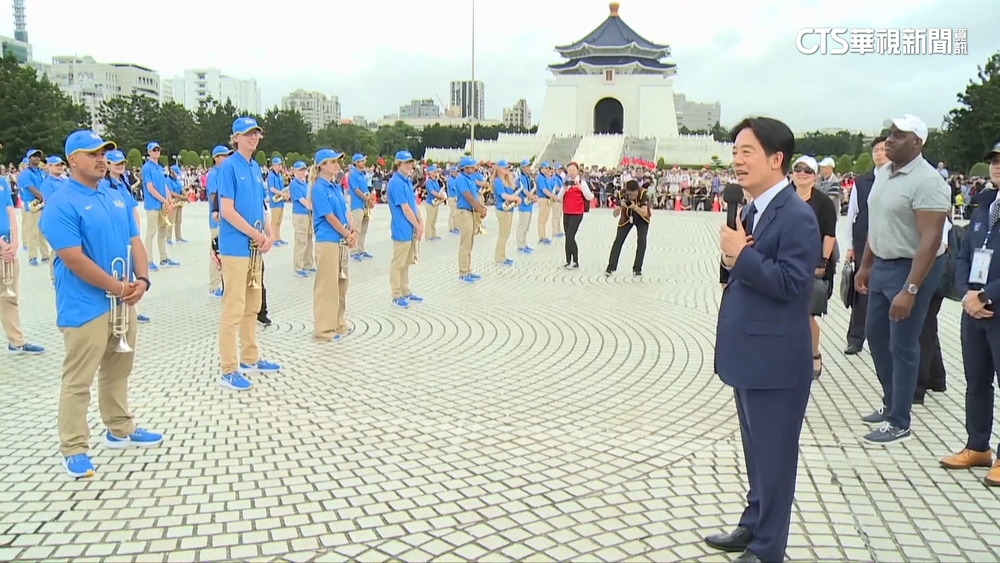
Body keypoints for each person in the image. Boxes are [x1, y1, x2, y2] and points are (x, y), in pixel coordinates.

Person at [705, 117, 819, 563]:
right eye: (735, 151)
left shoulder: (797, 215)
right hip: (750, 354)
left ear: (777, 159)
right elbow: (742, 269)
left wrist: (742, 255)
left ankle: (769, 548)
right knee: (757, 452)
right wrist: (734, 257)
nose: (737, 160)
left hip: (776, 362)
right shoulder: (752, 208)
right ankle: (753, 525)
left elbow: (794, 285)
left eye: (747, 151)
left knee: (775, 458)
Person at [40, 130, 161, 479]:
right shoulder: (62, 202)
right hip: (85, 305)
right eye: (91, 153)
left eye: (103, 152)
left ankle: (119, 426)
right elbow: (74, 259)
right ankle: (74, 446)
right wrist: (119, 287)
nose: (100, 159)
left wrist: (143, 279)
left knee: (119, 368)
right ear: (72, 160)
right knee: (79, 379)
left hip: (122, 298)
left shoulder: (114, 195)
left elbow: (134, 239)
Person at [854, 114, 950, 445]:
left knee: (903, 343)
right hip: (882, 263)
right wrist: (865, 265)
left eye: (898, 134)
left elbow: (931, 239)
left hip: (913, 267)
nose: (889, 139)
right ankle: (891, 401)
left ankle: (900, 420)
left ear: (917, 143)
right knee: (876, 336)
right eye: (889, 133)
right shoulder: (883, 173)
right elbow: (876, 224)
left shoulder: (928, 181)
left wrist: (910, 289)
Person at [939, 140, 1000, 485]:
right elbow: (964, 253)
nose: (996, 166)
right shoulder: (984, 204)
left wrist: (987, 295)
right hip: (973, 310)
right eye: (993, 161)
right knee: (977, 382)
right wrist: (966, 294)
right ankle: (978, 445)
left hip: (995, 307)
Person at [215, 117, 281, 392]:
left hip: (255, 246)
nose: (253, 138)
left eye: (256, 133)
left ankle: (250, 357)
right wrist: (256, 235)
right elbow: (227, 210)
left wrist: (269, 231)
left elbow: (262, 205)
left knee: (253, 303)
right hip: (236, 247)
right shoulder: (228, 167)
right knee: (234, 306)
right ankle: (229, 368)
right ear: (236, 138)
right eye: (247, 134)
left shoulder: (255, 167)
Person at [789, 156, 839, 378]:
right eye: (797, 169)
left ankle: (814, 354)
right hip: (786, 263)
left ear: (815, 176)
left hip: (814, 265)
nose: (802, 173)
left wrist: (823, 261)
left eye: (807, 171)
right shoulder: (784, 198)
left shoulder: (823, 203)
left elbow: (829, 235)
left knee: (807, 313)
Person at [844, 135, 888, 354]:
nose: (879, 153)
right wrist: (851, 245)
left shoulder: (898, 178)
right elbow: (853, 214)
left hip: (889, 244)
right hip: (864, 243)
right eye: (876, 150)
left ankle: (882, 337)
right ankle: (856, 337)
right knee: (861, 290)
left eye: (883, 149)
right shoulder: (862, 182)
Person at [309, 149, 356, 341]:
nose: (337, 165)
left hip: (340, 241)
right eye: (333, 162)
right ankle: (323, 329)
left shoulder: (335, 187)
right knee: (327, 287)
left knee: (340, 284)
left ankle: (338, 322)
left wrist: (352, 231)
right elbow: (329, 217)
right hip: (328, 241)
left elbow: (344, 212)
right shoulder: (319, 188)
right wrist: (346, 233)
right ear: (322, 165)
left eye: (338, 162)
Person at [0, 159, 45, 355]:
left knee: (9, 297)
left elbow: (10, 212)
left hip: (7, 247)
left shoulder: (2, 181)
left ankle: (16, 341)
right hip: (3, 245)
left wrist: (15, 242)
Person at [387, 151, 424, 307]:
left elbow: (413, 204)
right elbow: (405, 208)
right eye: (405, 163)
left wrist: (420, 221)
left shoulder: (406, 181)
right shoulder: (395, 182)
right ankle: (396, 294)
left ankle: (405, 290)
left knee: (406, 263)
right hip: (402, 227)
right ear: (398, 164)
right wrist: (417, 225)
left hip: (410, 227)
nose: (409, 165)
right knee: (398, 263)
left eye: (410, 162)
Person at [140, 143, 178, 271]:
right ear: (149, 152)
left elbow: (164, 186)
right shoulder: (147, 168)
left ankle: (164, 258)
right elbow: (150, 188)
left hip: (162, 204)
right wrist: (164, 200)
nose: (157, 152)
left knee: (162, 230)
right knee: (151, 232)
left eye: (158, 149)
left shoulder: (160, 168)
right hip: (152, 204)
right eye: (154, 150)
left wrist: (169, 200)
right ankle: (149, 260)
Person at [605, 179, 650, 276]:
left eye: (634, 195)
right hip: (626, 217)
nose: (632, 197)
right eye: (630, 195)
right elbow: (614, 215)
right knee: (618, 241)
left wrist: (635, 207)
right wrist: (620, 207)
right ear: (626, 191)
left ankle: (637, 268)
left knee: (642, 241)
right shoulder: (621, 194)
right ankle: (611, 267)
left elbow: (645, 212)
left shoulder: (643, 193)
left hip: (642, 218)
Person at [454, 156, 487, 283]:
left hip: (471, 212)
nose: (474, 168)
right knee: (465, 243)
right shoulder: (461, 179)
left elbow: (475, 197)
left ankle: (467, 269)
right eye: (472, 166)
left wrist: (481, 208)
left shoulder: (469, 178)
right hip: (464, 212)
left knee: (470, 243)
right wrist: (480, 210)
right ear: (465, 168)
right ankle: (463, 272)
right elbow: (469, 198)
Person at [206, 145, 231, 297]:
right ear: (216, 158)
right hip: (217, 222)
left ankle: (223, 282)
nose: (226, 158)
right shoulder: (214, 174)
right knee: (216, 253)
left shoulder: (224, 174)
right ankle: (213, 285)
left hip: (227, 221)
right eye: (223, 156)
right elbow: (214, 197)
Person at [560, 162, 594, 269]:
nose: (571, 172)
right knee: (567, 236)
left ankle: (575, 261)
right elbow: (559, 198)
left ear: (577, 171)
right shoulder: (566, 183)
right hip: (567, 212)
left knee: (571, 236)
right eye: (569, 170)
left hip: (577, 213)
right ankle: (568, 260)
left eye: (573, 170)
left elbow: (590, 197)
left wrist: (581, 188)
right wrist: (564, 190)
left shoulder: (581, 182)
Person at [17, 149, 48, 267]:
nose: (36, 158)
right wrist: (43, 197)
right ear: (29, 159)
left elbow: (45, 186)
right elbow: (31, 189)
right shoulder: (25, 174)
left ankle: (45, 255)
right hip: (32, 204)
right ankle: (32, 256)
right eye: (34, 156)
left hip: (42, 203)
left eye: (38, 156)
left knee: (42, 232)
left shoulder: (41, 172)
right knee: (32, 232)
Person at [289, 161, 314, 277]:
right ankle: (298, 267)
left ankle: (308, 264)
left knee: (309, 240)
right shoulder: (294, 184)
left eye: (304, 169)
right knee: (301, 241)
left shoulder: (305, 183)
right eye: (300, 170)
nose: (303, 172)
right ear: (295, 171)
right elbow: (303, 201)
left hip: (307, 215)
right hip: (300, 215)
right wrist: (315, 208)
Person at [347, 154, 373, 260]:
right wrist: (366, 198)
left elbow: (365, 189)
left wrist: (370, 200)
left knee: (363, 229)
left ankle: (361, 249)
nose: (364, 163)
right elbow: (356, 190)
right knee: (356, 229)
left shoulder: (362, 174)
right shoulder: (353, 174)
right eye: (361, 161)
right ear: (356, 163)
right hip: (357, 205)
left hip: (364, 205)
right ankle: (353, 251)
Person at [493, 161, 519, 266]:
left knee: (506, 234)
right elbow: (503, 195)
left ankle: (502, 256)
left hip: (509, 209)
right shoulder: (497, 181)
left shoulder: (506, 180)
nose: (507, 169)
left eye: (508, 168)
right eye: (505, 168)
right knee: (503, 234)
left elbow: (511, 191)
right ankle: (499, 257)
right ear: (498, 168)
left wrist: (514, 200)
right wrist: (516, 198)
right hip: (502, 209)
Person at [266, 157, 288, 247]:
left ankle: (278, 237)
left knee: (279, 221)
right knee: (274, 221)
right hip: (275, 200)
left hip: (280, 200)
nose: (280, 166)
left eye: (281, 164)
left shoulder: (279, 175)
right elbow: (272, 188)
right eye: (278, 165)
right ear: (274, 165)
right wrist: (282, 193)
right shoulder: (271, 175)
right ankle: (273, 238)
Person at [515, 160, 535, 254]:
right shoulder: (521, 178)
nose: (528, 168)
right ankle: (520, 246)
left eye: (529, 166)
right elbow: (524, 191)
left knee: (526, 227)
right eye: (526, 166)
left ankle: (524, 244)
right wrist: (532, 197)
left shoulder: (528, 177)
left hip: (529, 205)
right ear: (522, 168)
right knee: (522, 226)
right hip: (523, 205)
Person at [535, 162, 556, 245]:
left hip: (547, 199)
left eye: (548, 168)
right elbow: (544, 190)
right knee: (541, 220)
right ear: (541, 169)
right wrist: (552, 196)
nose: (548, 170)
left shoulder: (546, 178)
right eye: (546, 168)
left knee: (544, 219)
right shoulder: (540, 178)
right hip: (543, 199)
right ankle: (541, 237)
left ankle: (544, 236)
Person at [423, 165, 445, 240]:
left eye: (436, 172)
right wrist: (440, 196)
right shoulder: (429, 182)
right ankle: (427, 235)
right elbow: (432, 192)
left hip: (436, 202)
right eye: (434, 172)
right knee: (429, 219)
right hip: (430, 202)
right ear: (430, 173)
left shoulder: (435, 181)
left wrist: (441, 194)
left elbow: (438, 190)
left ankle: (433, 234)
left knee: (434, 220)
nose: (436, 173)